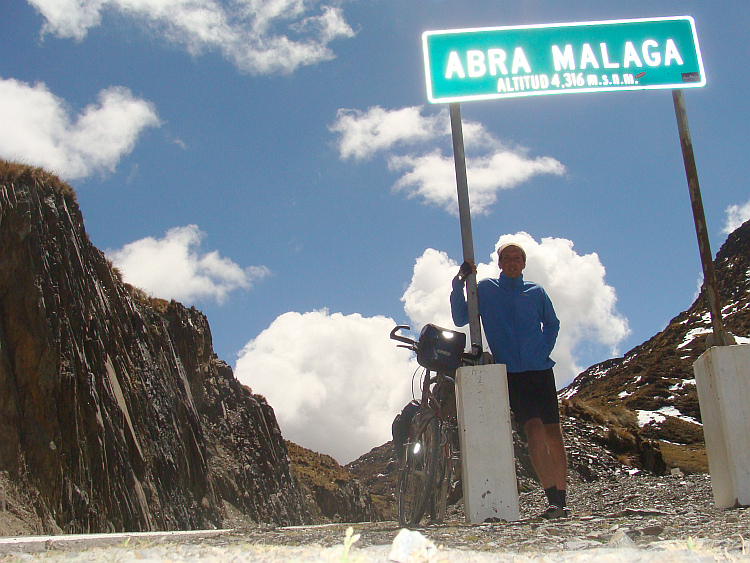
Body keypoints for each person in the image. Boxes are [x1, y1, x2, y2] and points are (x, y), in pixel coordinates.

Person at [450, 242, 569, 519]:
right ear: (500, 263)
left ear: (524, 264)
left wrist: (543, 349)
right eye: (507, 258)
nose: (513, 262)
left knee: (553, 432)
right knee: (534, 430)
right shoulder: (488, 289)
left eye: (518, 258)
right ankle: (553, 500)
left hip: (540, 370)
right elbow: (460, 316)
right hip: (513, 375)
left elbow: (553, 323)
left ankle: (562, 500)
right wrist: (459, 282)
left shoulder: (536, 292)